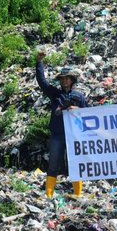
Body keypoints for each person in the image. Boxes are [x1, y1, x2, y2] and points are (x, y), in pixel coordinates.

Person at [36, 52, 88, 198]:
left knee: (75, 164)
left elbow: (89, 114)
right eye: (62, 79)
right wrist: (39, 63)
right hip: (57, 134)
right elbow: (42, 82)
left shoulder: (79, 97)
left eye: (67, 78)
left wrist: (77, 109)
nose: (64, 81)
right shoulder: (55, 94)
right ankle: (49, 195)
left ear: (72, 80)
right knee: (53, 164)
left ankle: (78, 195)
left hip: (74, 136)